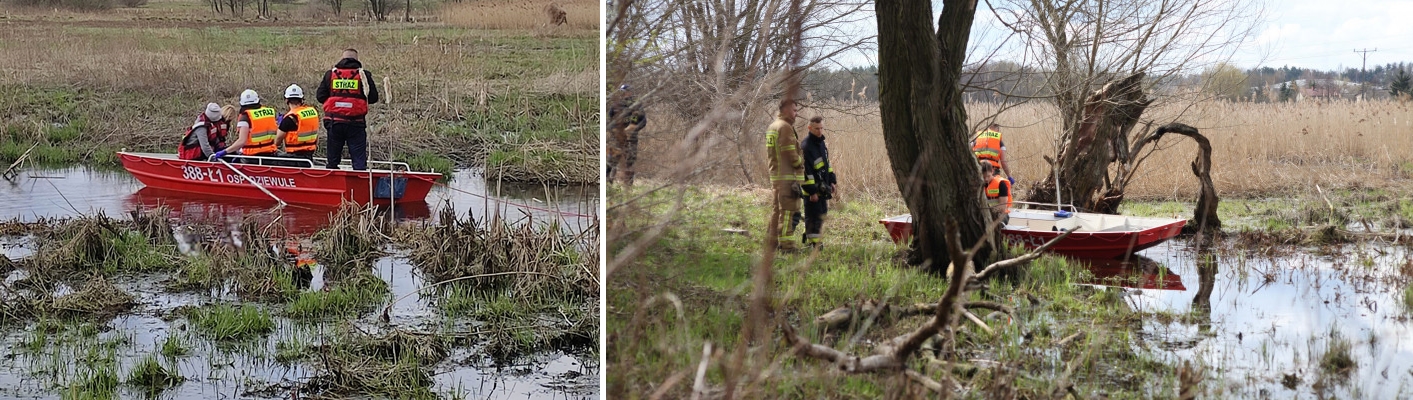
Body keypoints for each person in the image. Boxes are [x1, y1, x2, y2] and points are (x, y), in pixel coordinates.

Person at [316, 48, 380, 171]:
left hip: (334, 122)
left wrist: (336, 102)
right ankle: (359, 185)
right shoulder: (363, 75)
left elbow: (320, 97)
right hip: (356, 123)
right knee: (359, 162)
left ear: (342, 58)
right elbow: (373, 98)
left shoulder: (330, 74)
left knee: (332, 161)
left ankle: (332, 185)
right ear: (357, 59)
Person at [767, 99, 805, 251]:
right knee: (789, 212)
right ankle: (787, 245)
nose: (797, 113)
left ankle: (772, 242)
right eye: (794, 110)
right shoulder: (785, 127)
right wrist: (800, 163)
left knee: (777, 211)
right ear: (785, 110)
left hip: (777, 177)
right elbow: (790, 152)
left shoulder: (773, 126)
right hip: (787, 178)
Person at [800, 116, 836, 249]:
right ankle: (814, 244)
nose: (820, 131)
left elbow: (827, 165)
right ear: (809, 128)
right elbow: (805, 172)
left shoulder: (821, 143)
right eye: (816, 129)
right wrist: (812, 191)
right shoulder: (806, 146)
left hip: (823, 187)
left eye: (821, 128)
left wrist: (832, 180)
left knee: (821, 214)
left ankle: (816, 240)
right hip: (812, 190)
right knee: (813, 216)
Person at [213, 89, 279, 161]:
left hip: (252, 157)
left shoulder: (246, 117)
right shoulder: (270, 112)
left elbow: (242, 141)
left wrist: (225, 151)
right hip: (271, 154)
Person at [607, 84, 646, 185]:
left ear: (630, 92)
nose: (623, 94)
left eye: (625, 91)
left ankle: (628, 186)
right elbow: (609, 120)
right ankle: (608, 181)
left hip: (631, 138)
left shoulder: (637, 105)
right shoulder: (616, 105)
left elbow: (643, 121)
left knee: (630, 160)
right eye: (621, 92)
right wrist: (613, 131)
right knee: (612, 159)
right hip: (617, 137)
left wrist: (634, 129)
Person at [278, 84, 321, 164]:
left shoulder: (289, 118)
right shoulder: (312, 113)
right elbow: (316, 135)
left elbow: (277, 141)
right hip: (309, 156)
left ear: (286, 100)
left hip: (293, 159)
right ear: (302, 99)